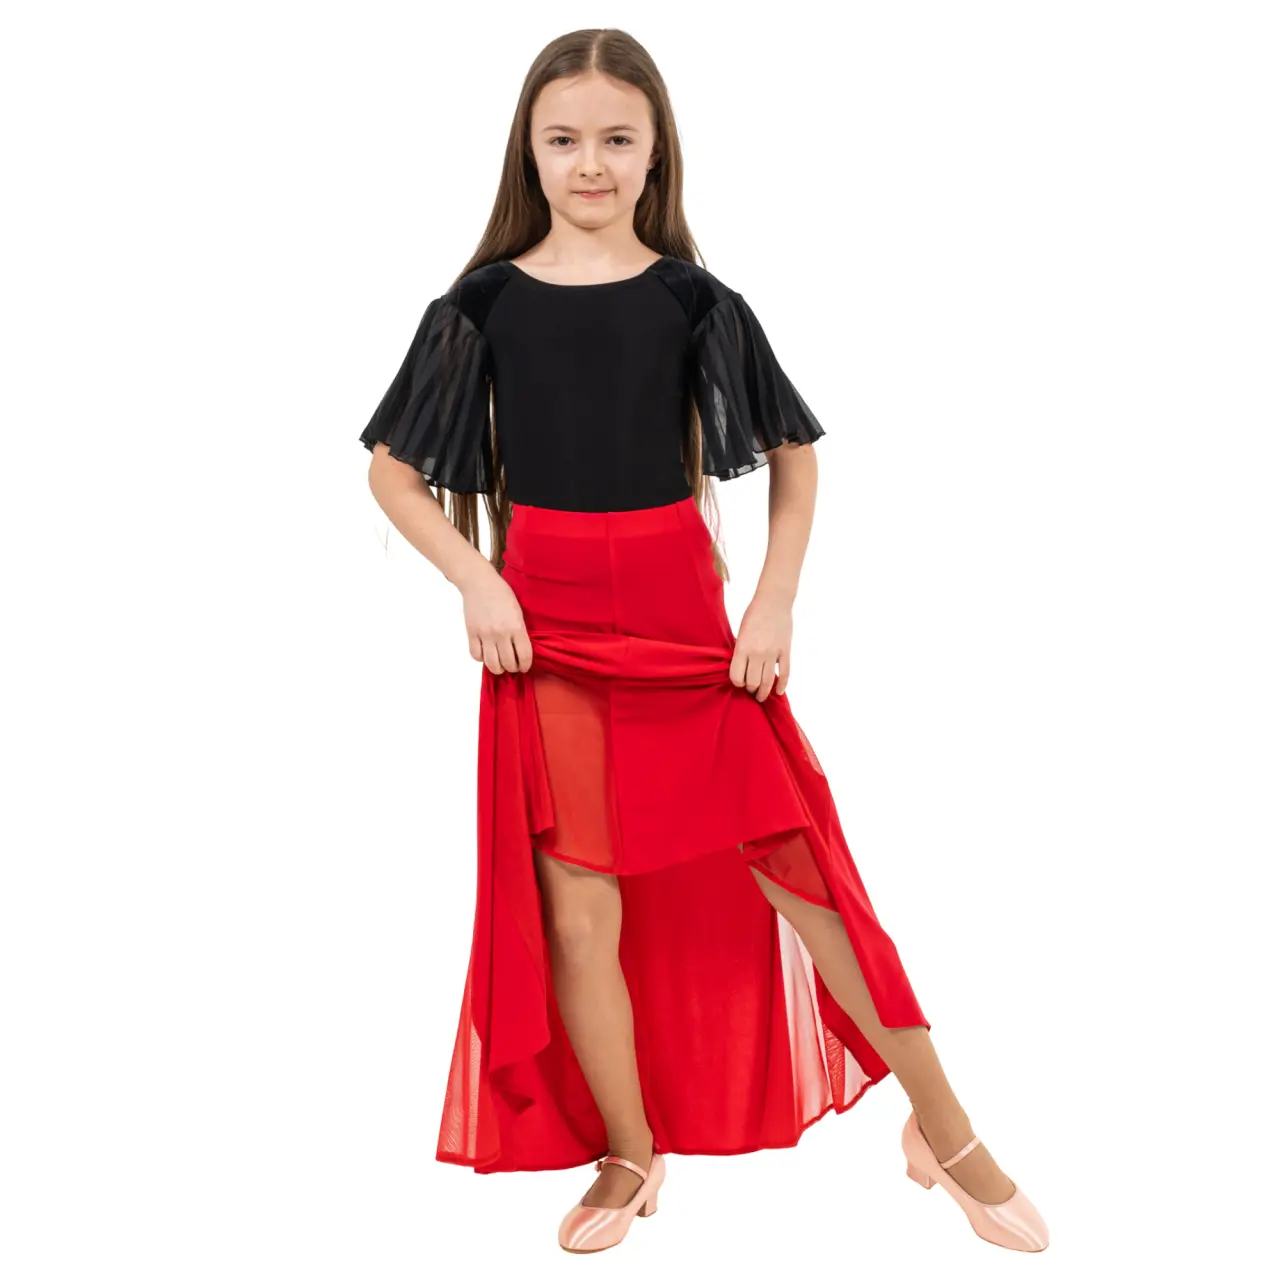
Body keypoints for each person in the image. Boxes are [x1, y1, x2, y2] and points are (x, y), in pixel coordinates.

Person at [357, 27, 1049, 1257]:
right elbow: (391, 472)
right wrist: (476, 580)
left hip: (684, 629)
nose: (589, 162)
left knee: (805, 876)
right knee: (580, 912)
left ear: (655, 151)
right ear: (528, 149)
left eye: (615, 139)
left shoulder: (694, 300)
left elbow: (794, 457)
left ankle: (940, 1128)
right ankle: (630, 1148)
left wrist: (771, 605)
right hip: (546, 632)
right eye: (563, 139)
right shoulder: (479, 305)